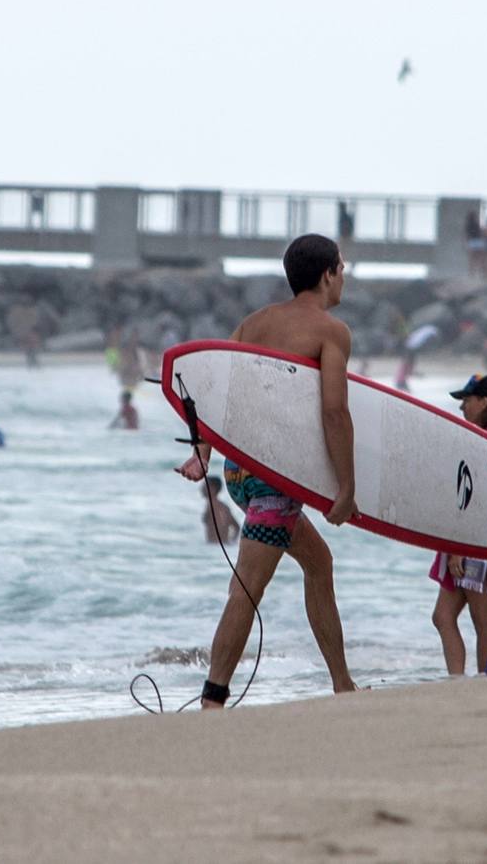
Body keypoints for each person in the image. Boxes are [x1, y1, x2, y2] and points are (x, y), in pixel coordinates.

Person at [174, 233, 359, 708]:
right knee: (248, 587)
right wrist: (346, 487)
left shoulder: (252, 324)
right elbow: (334, 411)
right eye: (343, 267)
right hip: (276, 476)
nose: (345, 276)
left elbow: (219, 395)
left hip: (241, 471)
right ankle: (214, 697)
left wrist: (205, 455)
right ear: (327, 275)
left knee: (319, 564)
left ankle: (343, 684)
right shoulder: (330, 332)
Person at [432, 374, 487, 675]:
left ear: (484, 402)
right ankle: (460, 680)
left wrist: (458, 548)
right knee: (443, 616)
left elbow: (479, 501)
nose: (462, 407)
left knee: (483, 620)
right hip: (469, 542)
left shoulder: (486, 441)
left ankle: (485, 681)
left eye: (467, 401)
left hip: (474, 543)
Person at [201, 476, 241, 544]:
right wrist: (232, 541)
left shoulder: (212, 506)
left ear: (213, 489)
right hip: (223, 545)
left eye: (205, 485)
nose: (201, 488)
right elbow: (237, 527)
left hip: (213, 546)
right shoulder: (224, 507)